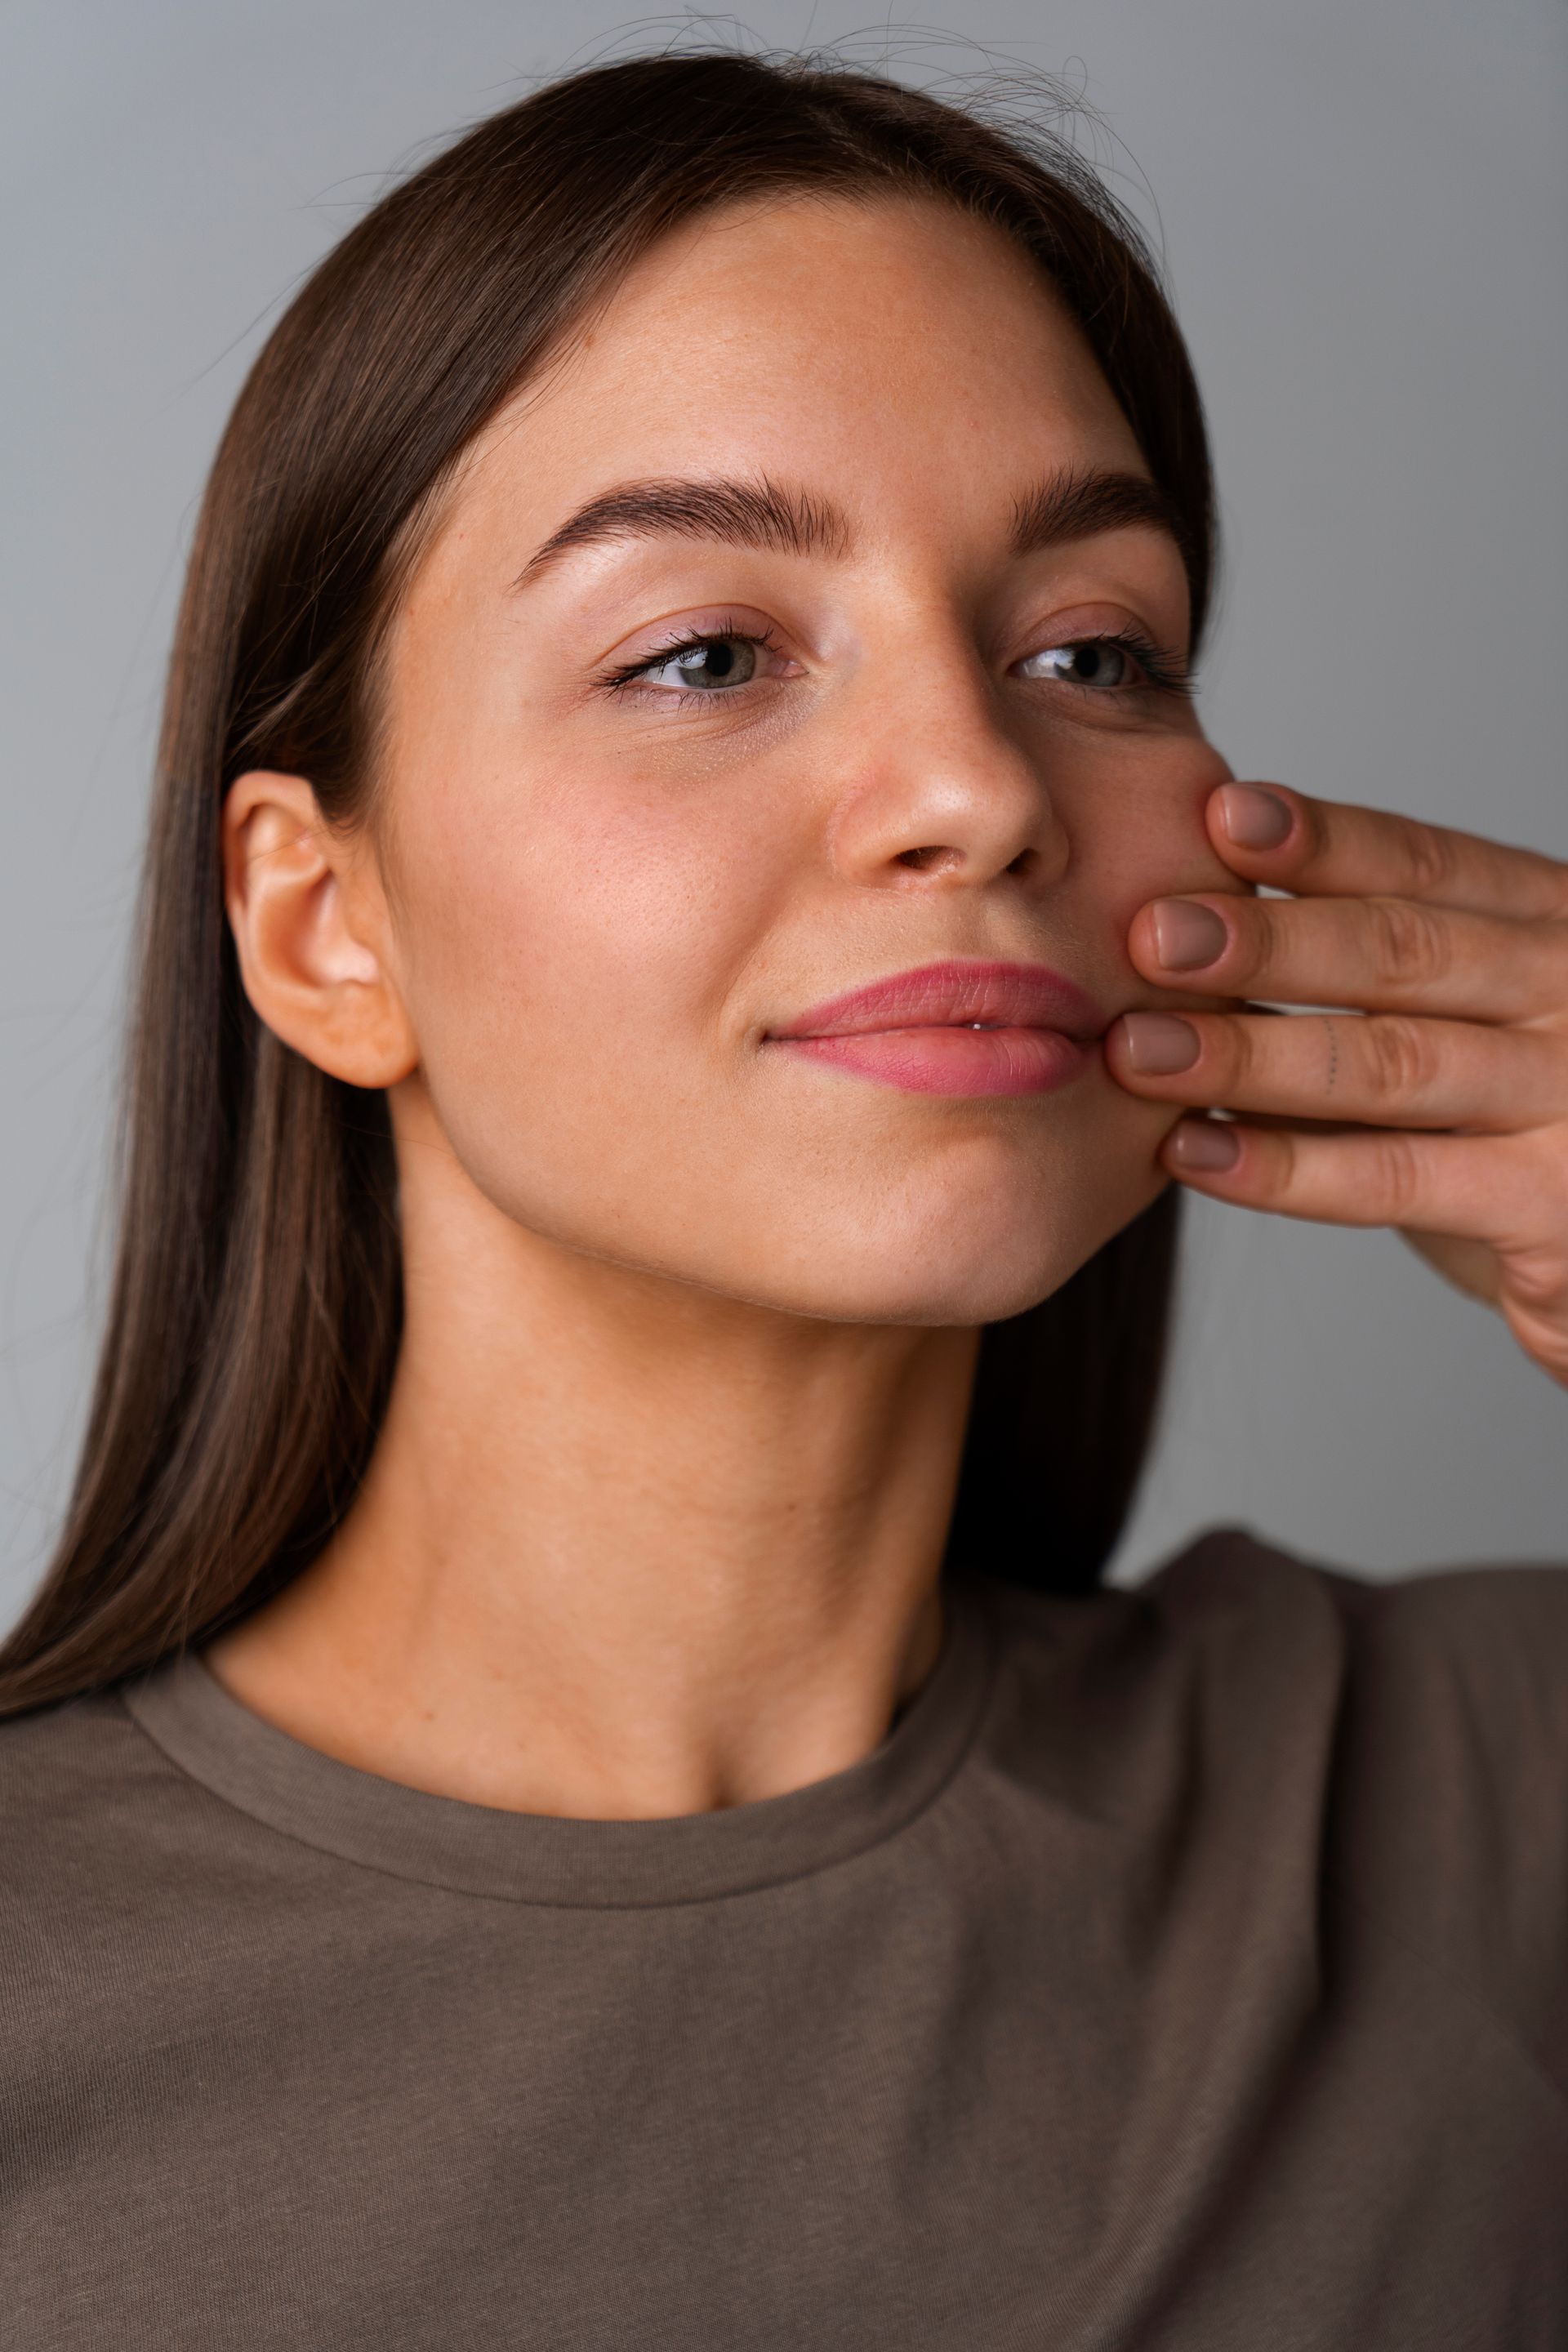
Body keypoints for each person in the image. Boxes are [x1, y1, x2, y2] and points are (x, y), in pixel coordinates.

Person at [2, 48, 1564, 2350]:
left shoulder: (1483, 1819)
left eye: (1092, 653)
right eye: (706, 654)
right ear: (323, 925)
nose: (973, 787)